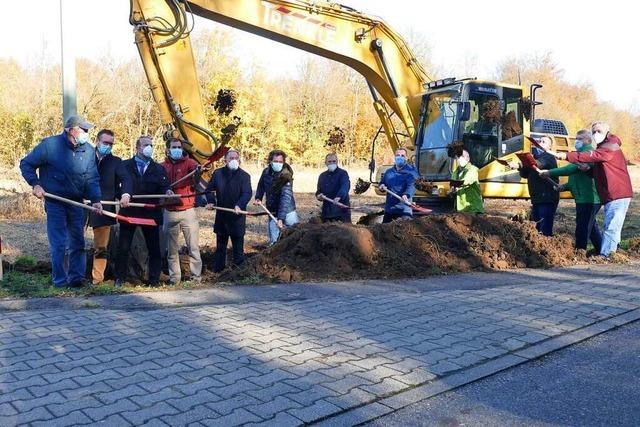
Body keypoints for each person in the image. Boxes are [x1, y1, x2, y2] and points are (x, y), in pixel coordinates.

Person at [20, 115, 102, 288]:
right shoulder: (50, 146)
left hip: (77, 203)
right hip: (55, 202)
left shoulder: (88, 151)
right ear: (71, 130)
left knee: (78, 242)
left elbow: (92, 178)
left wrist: (95, 200)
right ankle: (59, 281)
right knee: (58, 243)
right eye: (83, 130)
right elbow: (26, 164)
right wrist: (35, 184)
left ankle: (76, 279)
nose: (86, 133)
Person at [552, 122, 633, 257]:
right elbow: (598, 171)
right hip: (610, 194)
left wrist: (567, 156)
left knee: (611, 225)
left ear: (607, 132)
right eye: (594, 131)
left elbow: (591, 156)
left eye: (599, 131)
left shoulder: (610, 147)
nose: (596, 134)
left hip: (617, 193)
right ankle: (613, 252)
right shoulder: (603, 148)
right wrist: (589, 170)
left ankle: (606, 255)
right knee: (612, 225)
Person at [116, 136, 172, 286]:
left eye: (151, 145)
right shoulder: (125, 165)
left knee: (154, 249)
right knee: (123, 248)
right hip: (129, 213)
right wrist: (122, 196)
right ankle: (119, 279)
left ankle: (154, 280)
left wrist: (167, 192)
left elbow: (165, 186)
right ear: (138, 148)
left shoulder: (159, 168)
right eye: (146, 145)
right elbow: (119, 185)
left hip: (150, 214)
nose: (149, 147)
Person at [539, 130, 602, 253]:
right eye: (576, 138)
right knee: (591, 226)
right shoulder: (578, 154)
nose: (577, 141)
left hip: (590, 198)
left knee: (582, 227)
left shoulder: (589, 154)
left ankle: (580, 251)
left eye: (580, 138)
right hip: (583, 197)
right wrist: (565, 187)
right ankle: (601, 250)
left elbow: (570, 169)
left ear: (588, 140)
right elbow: (576, 178)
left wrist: (549, 172)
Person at [161, 138, 202, 285]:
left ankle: (196, 278)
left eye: (179, 147)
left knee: (193, 247)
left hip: (187, 211)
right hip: (169, 212)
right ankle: (174, 279)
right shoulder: (162, 166)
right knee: (171, 250)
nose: (177, 149)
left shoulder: (189, 163)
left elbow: (197, 174)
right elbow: (159, 184)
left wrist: (199, 171)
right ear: (168, 149)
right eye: (174, 147)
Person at [205, 149, 252, 272]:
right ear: (225, 160)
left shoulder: (245, 176)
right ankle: (219, 271)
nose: (234, 160)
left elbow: (247, 193)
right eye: (231, 158)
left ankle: (238, 272)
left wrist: (239, 205)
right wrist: (211, 201)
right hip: (222, 217)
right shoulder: (218, 174)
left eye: (236, 158)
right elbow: (209, 190)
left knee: (238, 247)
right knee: (220, 247)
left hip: (237, 217)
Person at [89, 129, 122, 284]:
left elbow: (124, 181)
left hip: (104, 208)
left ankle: (97, 279)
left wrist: (126, 194)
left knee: (101, 247)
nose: (107, 146)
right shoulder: (85, 156)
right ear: (97, 141)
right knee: (72, 244)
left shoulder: (116, 162)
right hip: (80, 205)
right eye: (105, 142)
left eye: (110, 144)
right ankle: (71, 277)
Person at [510, 135, 559, 236]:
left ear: (550, 147)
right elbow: (524, 174)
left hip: (547, 198)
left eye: (544, 142)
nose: (540, 143)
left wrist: (519, 164)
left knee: (544, 229)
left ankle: (546, 248)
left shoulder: (548, 157)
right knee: (537, 226)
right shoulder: (534, 158)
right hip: (537, 198)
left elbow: (537, 164)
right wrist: (522, 166)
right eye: (539, 140)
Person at [254, 150, 299, 245]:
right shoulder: (266, 172)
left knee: (294, 239)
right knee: (274, 243)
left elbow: (285, 197)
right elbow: (261, 185)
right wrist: (258, 197)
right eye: (275, 161)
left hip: (287, 212)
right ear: (270, 161)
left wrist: (281, 218)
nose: (278, 164)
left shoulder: (286, 176)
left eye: (280, 162)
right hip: (272, 210)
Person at [378, 148, 418, 223]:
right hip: (389, 210)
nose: (400, 157)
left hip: (404, 211)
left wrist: (406, 195)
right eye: (398, 155)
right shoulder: (389, 172)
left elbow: (412, 186)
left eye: (402, 156)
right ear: (395, 157)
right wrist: (381, 186)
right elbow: (382, 183)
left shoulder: (411, 172)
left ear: (406, 158)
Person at [315, 153, 351, 223]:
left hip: (341, 211)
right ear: (325, 163)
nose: (332, 163)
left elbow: (345, 186)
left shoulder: (343, 174)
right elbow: (319, 191)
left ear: (337, 162)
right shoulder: (322, 176)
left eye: (334, 161)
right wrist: (318, 196)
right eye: (329, 162)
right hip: (327, 212)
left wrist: (339, 196)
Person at [448, 148, 484, 213]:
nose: (459, 159)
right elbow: (453, 185)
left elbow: (466, 181)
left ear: (468, 159)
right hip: (461, 209)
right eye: (458, 157)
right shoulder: (455, 172)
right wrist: (451, 191)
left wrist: (456, 187)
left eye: (462, 156)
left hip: (473, 208)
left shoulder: (473, 169)